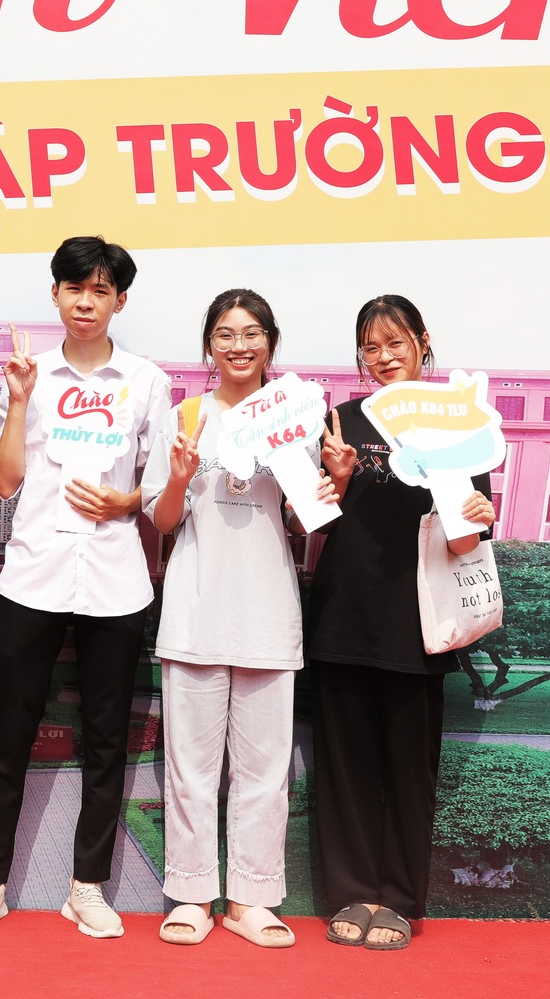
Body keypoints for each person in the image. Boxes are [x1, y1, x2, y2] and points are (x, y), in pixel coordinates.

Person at [0, 236, 171, 940]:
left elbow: (160, 489)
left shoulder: (145, 380)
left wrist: (125, 502)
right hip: (35, 574)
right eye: (75, 287)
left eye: (101, 290)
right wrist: (18, 401)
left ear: (120, 301)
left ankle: (87, 887)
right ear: (55, 293)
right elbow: (6, 480)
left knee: (107, 740)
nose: (86, 301)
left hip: (115, 579)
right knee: (10, 732)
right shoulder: (30, 373)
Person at [306, 295, 497, 952]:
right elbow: (315, 522)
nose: (383, 357)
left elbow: (465, 543)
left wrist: (473, 513)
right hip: (343, 611)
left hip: (419, 620)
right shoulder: (343, 418)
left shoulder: (457, 418)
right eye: (370, 346)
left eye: (394, 342)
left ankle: (399, 898)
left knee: (410, 768)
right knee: (345, 765)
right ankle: (353, 892)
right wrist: (334, 479)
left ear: (422, 341)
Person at [144, 289, 334, 948]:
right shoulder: (186, 416)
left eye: (252, 333)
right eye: (225, 333)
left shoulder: (296, 417)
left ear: (270, 343)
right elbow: (163, 520)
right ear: (209, 345)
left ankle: (252, 898)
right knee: (190, 770)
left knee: (264, 771)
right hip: (195, 610)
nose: (239, 345)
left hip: (267, 611)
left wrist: (328, 480)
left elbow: (308, 520)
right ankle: (192, 895)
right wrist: (178, 476)